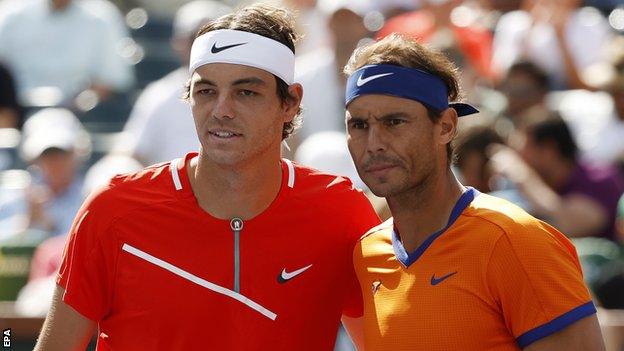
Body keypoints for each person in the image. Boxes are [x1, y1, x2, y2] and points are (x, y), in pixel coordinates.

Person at [34, 4, 380, 350]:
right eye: (206, 91)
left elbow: (380, 342)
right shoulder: (110, 211)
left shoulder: (341, 212)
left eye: (246, 92)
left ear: (290, 102)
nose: (221, 111)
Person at [343, 33, 605, 350]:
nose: (374, 144)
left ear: (446, 126)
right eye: (359, 125)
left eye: (394, 122)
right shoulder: (365, 254)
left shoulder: (517, 241)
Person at [116, 0, 232, 166]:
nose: (207, 46)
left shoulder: (250, 89)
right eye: (196, 38)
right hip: (170, 189)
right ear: (179, 43)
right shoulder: (158, 93)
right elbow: (132, 153)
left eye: (214, 37)